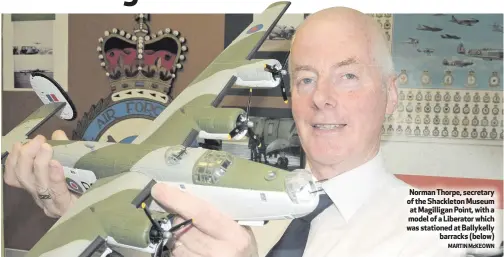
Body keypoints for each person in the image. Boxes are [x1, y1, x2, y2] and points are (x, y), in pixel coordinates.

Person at [4, 7, 468, 257]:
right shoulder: (237, 192)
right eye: (305, 78)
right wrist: (71, 205)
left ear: (391, 94)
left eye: (348, 76)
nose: (322, 98)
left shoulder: (448, 224)